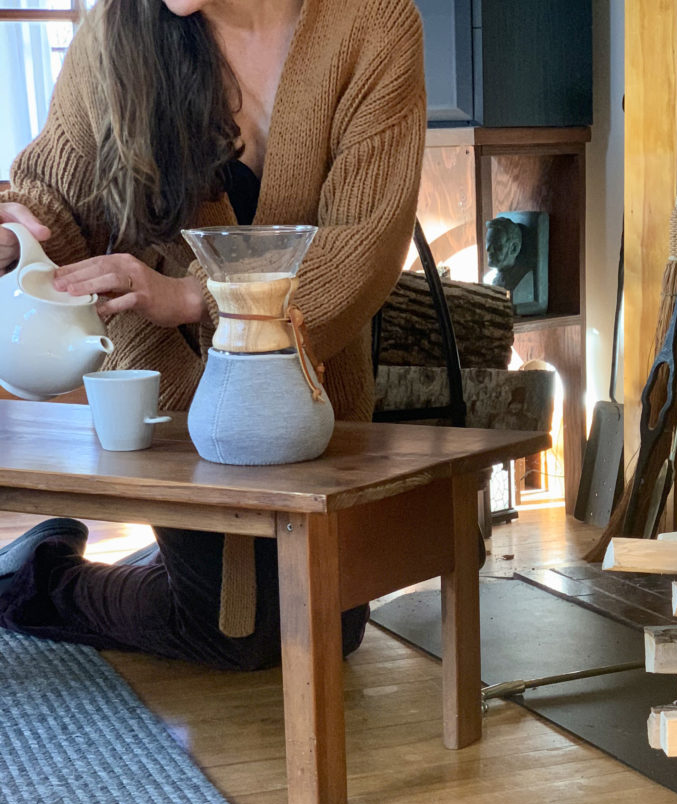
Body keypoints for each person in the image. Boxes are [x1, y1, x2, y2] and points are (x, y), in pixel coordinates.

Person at [0, 0, 426, 669]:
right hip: (170, 387)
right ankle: (33, 576)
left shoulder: (373, 23)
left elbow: (365, 248)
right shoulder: (118, 29)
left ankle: (148, 566)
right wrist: (13, 238)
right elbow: (54, 197)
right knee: (236, 634)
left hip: (309, 388)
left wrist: (196, 295)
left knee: (326, 631)